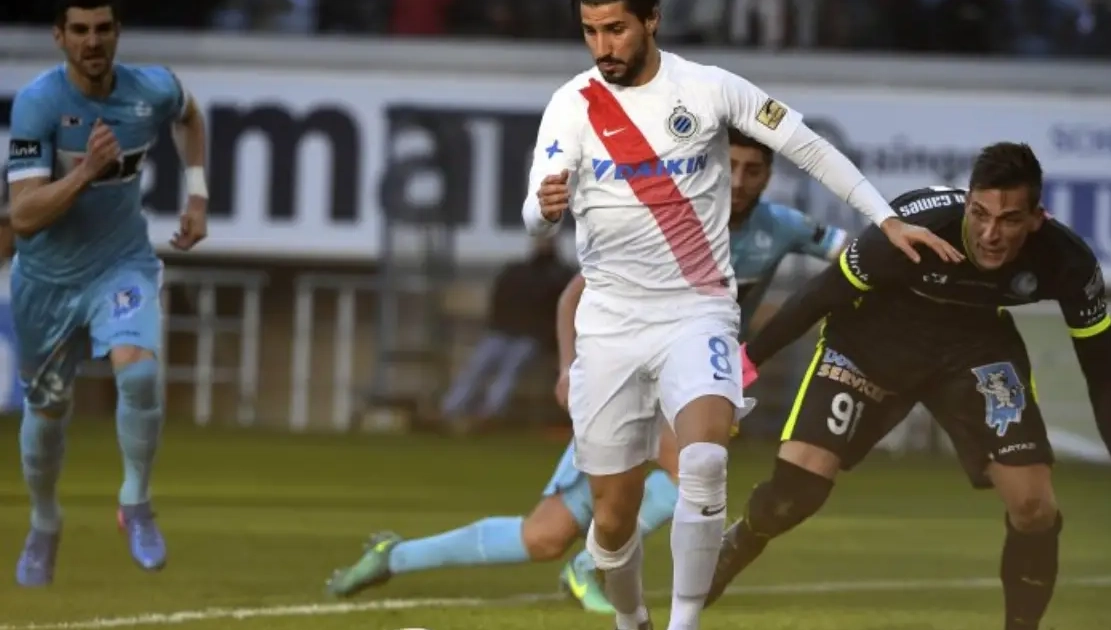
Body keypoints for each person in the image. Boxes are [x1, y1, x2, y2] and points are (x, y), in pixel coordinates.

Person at [525, 1, 961, 628]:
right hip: (610, 325)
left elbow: (808, 147)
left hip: (696, 310)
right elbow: (535, 214)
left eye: (615, 29)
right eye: (591, 31)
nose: (603, 46)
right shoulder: (573, 104)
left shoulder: (710, 88)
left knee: (704, 462)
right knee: (612, 519)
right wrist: (543, 209)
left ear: (652, 20)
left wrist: (885, 219)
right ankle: (631, 618)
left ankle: (684, 623)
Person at [323, 130, 850, 613]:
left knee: (667, 482)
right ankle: (412, 557)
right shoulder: (664, 219)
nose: (738, 181)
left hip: (689, 376)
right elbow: (574, 294)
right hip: (625, 371)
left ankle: (415, 558)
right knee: (554, 532)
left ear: (768, 176)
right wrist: (568, 367)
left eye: (753, 170)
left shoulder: (781, 228)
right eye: (729, 166)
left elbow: (853, 251)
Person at [706, 142, 1111, 629]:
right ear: (968, 201)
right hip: (874, 338)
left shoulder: (1068, 261)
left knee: (1034, 507)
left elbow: (1103, 373)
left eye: (1009, 220)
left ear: (1037, 219)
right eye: (980, 214)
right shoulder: (916, 227)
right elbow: (821, 294)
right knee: (796, 494)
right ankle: (742, 539)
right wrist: (742, 368)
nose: (990, 234)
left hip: (975, 349)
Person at [6, 0, 209, 587]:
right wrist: (84, 172)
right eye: (79, 30)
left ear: (118, 32)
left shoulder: (152, 89)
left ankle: (136, 502)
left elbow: (190, 115)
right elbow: (23, 216)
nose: (91, 41)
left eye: (102, 29)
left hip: (121, 265)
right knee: (47, 413)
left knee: (138, 372)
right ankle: (45, 522)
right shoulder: (38, 104)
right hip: (46, 282)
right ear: (59, 37)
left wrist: (197, 195)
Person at [438, 236, 575, 433]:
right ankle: (450, 410)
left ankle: (489, 414)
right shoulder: (517, 271)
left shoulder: (560, 275)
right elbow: (499, 300)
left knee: (509, 369)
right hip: (502, 331)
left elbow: (561, 312)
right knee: (477, 366)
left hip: (532, 336)